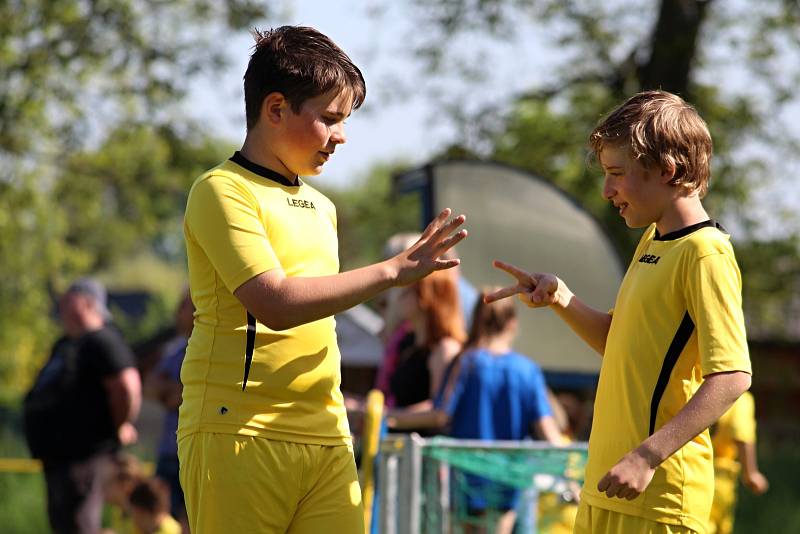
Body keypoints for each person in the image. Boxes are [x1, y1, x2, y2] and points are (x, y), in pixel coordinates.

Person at [178, 25, 467, 534]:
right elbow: (275, 303)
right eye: (330, 119)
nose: (341, 136)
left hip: (328, 436)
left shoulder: (322, 206)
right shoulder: (222, 192)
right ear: (275, 109)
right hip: (238, 432)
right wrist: (392, 273)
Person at [487, 90, 752, 534]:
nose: (607, 191)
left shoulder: (705, 253)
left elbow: (732, 377)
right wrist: (561, 299)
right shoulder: (651, 241)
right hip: (607, 487)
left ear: (667, 171)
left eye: (616, 174)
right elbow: (619, 342)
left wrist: (647, 456)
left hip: (659, 499)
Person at [388, 289, 562, 534]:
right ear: (513, 324)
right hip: (506, 481)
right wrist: (573, 471)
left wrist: (390, 418)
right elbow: (549, 433)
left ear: (477, 320)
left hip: (465, 482)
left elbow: (441, 414)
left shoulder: (466, 363)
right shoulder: (527, 370)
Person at [24, 277, 141, 534]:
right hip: (59, 458)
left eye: (69, 299)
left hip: (85, 458)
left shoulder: (103, 340)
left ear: (87, 303)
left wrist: (119, 425)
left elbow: (127, 386)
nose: (62, 306)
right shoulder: (65, 344)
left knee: (81, 525)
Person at [144, 290, 193, 533]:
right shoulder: (175, 351)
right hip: (169, 453)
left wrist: (178, 393)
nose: (177, 312)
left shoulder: (210, 351)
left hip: (195, 453)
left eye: (183, 305)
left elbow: (190, 394)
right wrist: (175, 392)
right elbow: (150, 387)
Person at [388, 269, 466, 416]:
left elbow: (439, 409)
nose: (399, 298)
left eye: (407, 292)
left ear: (424, 298)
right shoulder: (408, 343)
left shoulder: (445, 349)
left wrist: (389, 416)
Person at [707, 391, 769, 534]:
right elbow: (741, 434)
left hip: (692, 467)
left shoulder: (698, 389)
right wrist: (750, 473)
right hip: (720, 476)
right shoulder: (740, 398)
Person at [102, 452, 144, 534]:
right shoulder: (118, 512)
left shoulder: (141, 517)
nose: (102, 487)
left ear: (125, 485)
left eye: (108, 482)